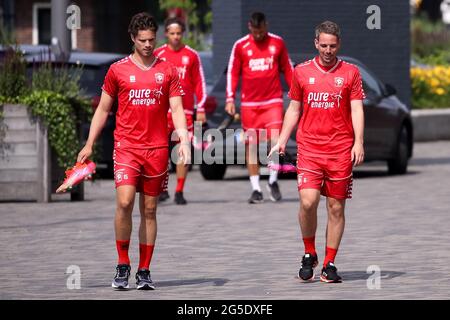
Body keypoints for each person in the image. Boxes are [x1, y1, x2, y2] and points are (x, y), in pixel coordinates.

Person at [77, 12, 190, 290]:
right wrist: (90, 143)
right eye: (142, 40)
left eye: (152, 39)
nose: (148, 45)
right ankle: (123, 263)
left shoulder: (168, 71)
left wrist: (184, 141)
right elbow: (103, 109)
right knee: (125, 202)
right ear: (132, 38)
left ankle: (144, 270)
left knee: (149, 210)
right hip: (126, 147)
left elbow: (176, 108)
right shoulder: (118, 70)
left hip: (157, 149)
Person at [269, 21, 365, 283]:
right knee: (308, 202)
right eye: (323, 45)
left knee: (335, 207)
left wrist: (358, 142)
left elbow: (357, 109)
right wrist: (282, 138)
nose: (328, 50)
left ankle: (329, 263)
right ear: (315, 44)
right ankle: (309, 252)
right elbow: (294, 109)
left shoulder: (351, 73)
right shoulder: (301, 72)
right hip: (310, 149)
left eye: (332, 46)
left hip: (340, 151)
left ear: (339, 45)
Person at [225, 11, 293, 204]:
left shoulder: (277, 43)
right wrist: (230, 98)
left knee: (275, 142)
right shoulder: (240, 46)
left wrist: (297, 93)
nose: (258, 35)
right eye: (255, 32)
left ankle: (272, 181)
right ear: (250, 27)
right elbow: (233, 72)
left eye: (261, 31)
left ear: (266, 26)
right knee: (252, 146)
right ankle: (256, 188)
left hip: (272, 101)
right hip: (249, 105)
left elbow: (288, 69)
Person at [154, 17, 207, 205]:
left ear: (182, 34)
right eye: (172, 33)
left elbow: (199, 82)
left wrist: (200, 106)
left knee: (181, 150)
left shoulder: (191, 55)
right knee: (160, 151)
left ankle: (179, 190)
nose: (176, 37)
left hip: (183, 112)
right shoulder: (158, 55)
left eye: (178, 33)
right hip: (161, 111)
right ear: (166, 34)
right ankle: (162, 189)